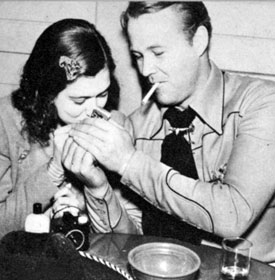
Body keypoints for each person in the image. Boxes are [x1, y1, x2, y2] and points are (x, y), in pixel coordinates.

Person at [69, 2, 275, 262]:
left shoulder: (260, 103)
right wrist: (97, 188)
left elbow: (233, 215)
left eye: (158, 52)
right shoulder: (139, 126)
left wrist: (128, 162)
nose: (145, 70)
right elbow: (128, 246)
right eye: (138, 56)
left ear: (199, 41)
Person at [0, 18, 141, 238]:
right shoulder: (6, 121)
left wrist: (94, 193)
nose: (94, 110)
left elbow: (131, 237)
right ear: (47, 93)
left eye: (102, 94)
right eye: (79, 100)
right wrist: (54, 171)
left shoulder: (117, 127)